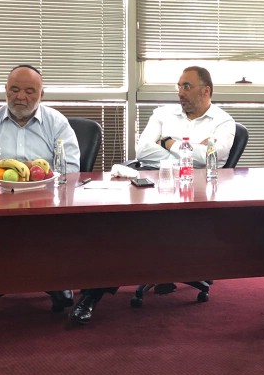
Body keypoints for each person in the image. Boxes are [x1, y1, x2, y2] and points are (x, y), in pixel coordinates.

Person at [69, 66, 235, 324]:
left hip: (195, 195)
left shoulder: (223, 122)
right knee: (111, 220)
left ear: (206, 91)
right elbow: (143, 151)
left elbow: (210, 158)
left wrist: (168, 143)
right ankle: (94, 288)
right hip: (151, 184)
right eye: (179, 86)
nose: (180, 92)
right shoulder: (162, 114)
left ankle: (92, 295)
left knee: (131, 231)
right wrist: (188, 154)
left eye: (187, 86)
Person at [0, 64, 80, 315]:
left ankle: (54, 280)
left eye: (29, 91)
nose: (20, 97)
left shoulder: (57, 123)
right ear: (5, 90)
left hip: (46, 200)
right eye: (14, 89)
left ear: (41, 94)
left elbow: (70, 168)